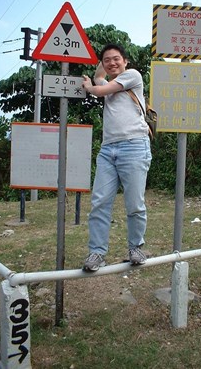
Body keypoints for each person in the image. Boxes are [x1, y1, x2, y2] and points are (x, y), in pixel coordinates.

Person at [81, 43, 152, 272]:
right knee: (99, 202)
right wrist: (97, 71)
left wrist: (89, 87)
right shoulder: (108, 82)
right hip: (108, 149)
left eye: (116, 59)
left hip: (134, 146)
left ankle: (135, 248)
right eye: (107, 60)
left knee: (134, 203)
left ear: (125, 61)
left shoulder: (132, 76)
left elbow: (99, 89)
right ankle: (97, 253)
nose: (112, 63)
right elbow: (99, 78)